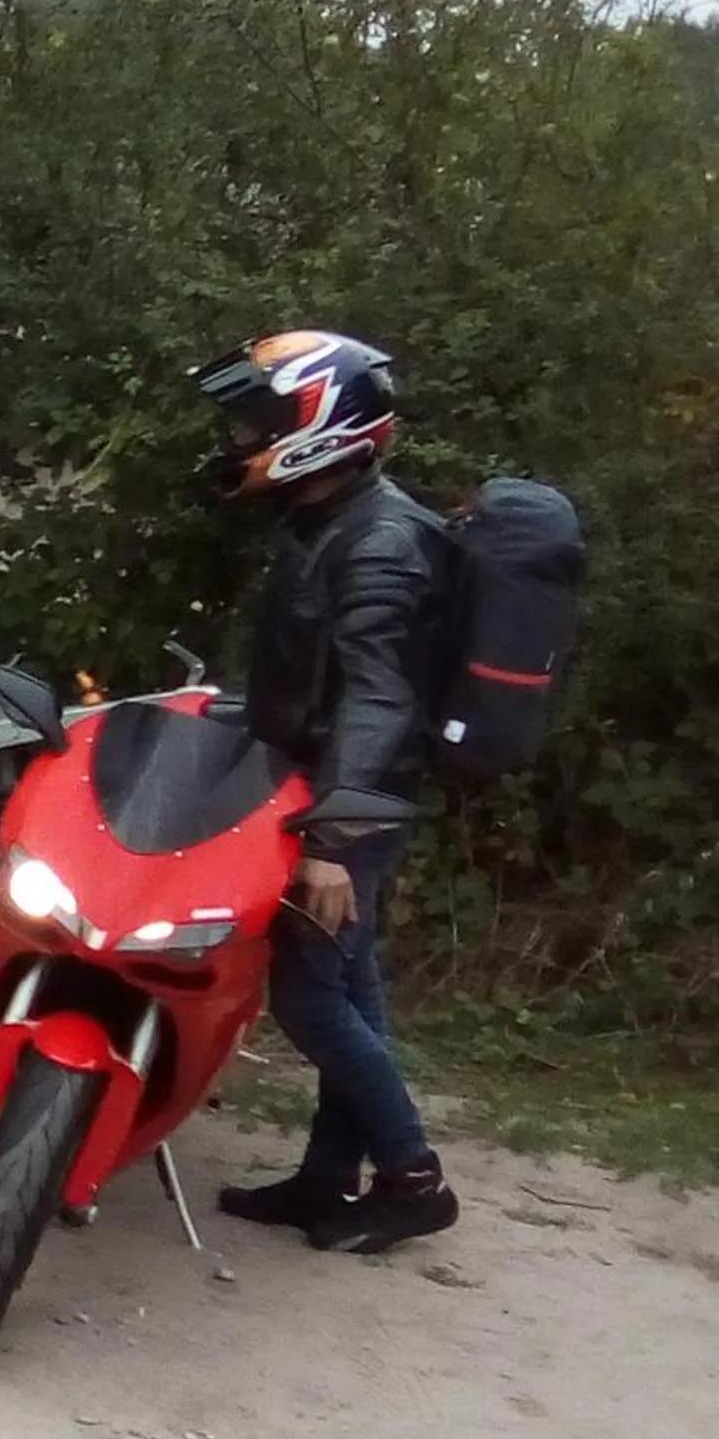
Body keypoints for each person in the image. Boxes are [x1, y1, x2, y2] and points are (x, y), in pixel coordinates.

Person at [196, 330, 460, 1252]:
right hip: (326, 790)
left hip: (350, 806)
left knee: (310, 1000)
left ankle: (415, 1179)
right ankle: (326, 1181)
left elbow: (379, 698)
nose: (239, 440)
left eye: (259, 422)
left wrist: (332, 841)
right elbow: (314, 677)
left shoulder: (381, 541)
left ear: (323, 421)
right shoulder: (327, 520)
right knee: (351, 991)